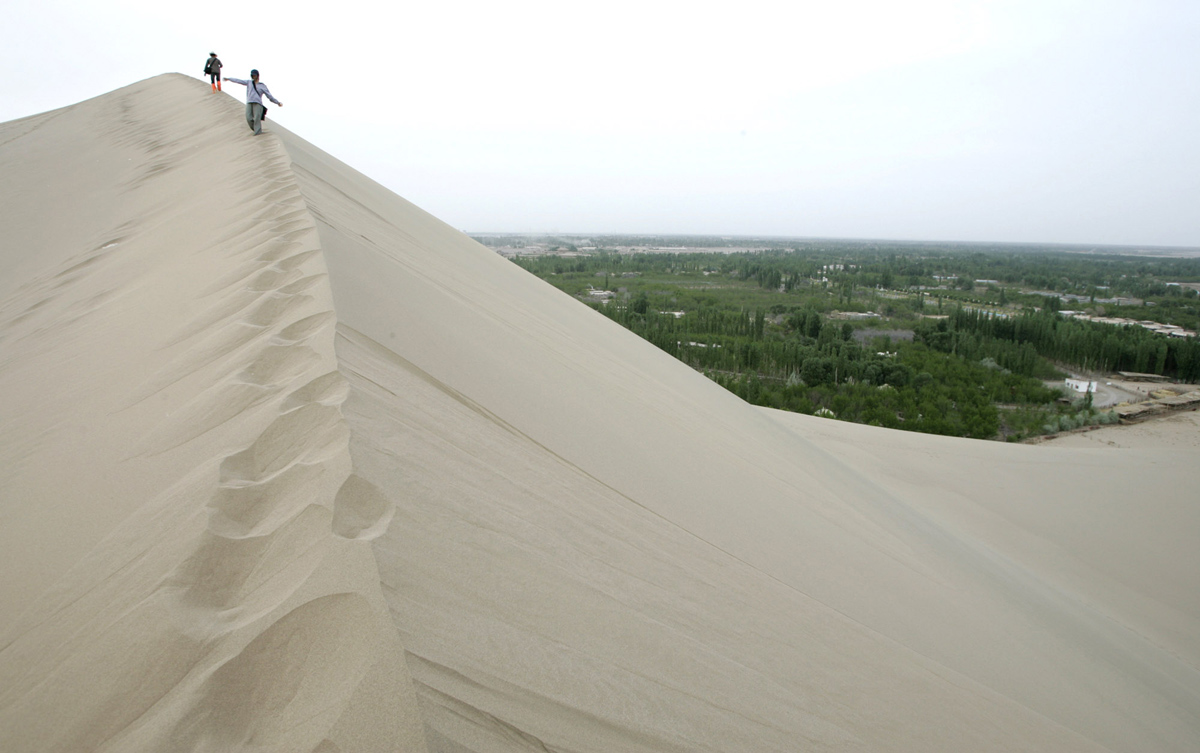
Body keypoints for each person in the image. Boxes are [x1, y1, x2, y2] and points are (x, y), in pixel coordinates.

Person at [225, 69, 282, 136]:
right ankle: (256, 129)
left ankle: (258, 133)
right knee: (248, 118)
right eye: (252, 75)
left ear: (257, 76)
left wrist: (277, 102)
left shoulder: (262, 85)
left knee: (257, 118)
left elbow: (269, 96)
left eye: (254, 75)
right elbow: (239, 81)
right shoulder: (249, 82)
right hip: (249, 102)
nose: (253, 76)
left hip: (258, 103)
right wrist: (229, 79)